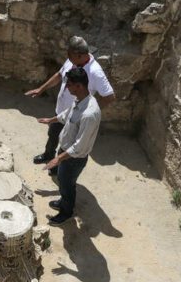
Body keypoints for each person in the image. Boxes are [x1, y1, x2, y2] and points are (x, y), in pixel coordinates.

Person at [25, 36, 115, 175]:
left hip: (75, 117)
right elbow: (60, 75)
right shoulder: (73, 60)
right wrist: (41, 89)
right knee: (53, 134)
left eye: (70, 55)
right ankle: (48, 155)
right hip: (60, 111)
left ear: (80, 55)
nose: (67, 57)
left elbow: (109, 96)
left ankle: (57, 167)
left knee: (67, 145)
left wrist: (88, 110)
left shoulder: (95, 72)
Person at [37, 67, 101, 225]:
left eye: (69, 85)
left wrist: (57, 159)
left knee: (67, 184)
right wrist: (50, 120)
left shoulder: (89, 114)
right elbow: (67, 115)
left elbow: (79, 146)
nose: (66, 88)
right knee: (62, 180)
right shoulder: (80, 100)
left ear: (79, 86)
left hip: (73, 159)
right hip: (65, 152)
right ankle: (63, 202)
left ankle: (66, 212)